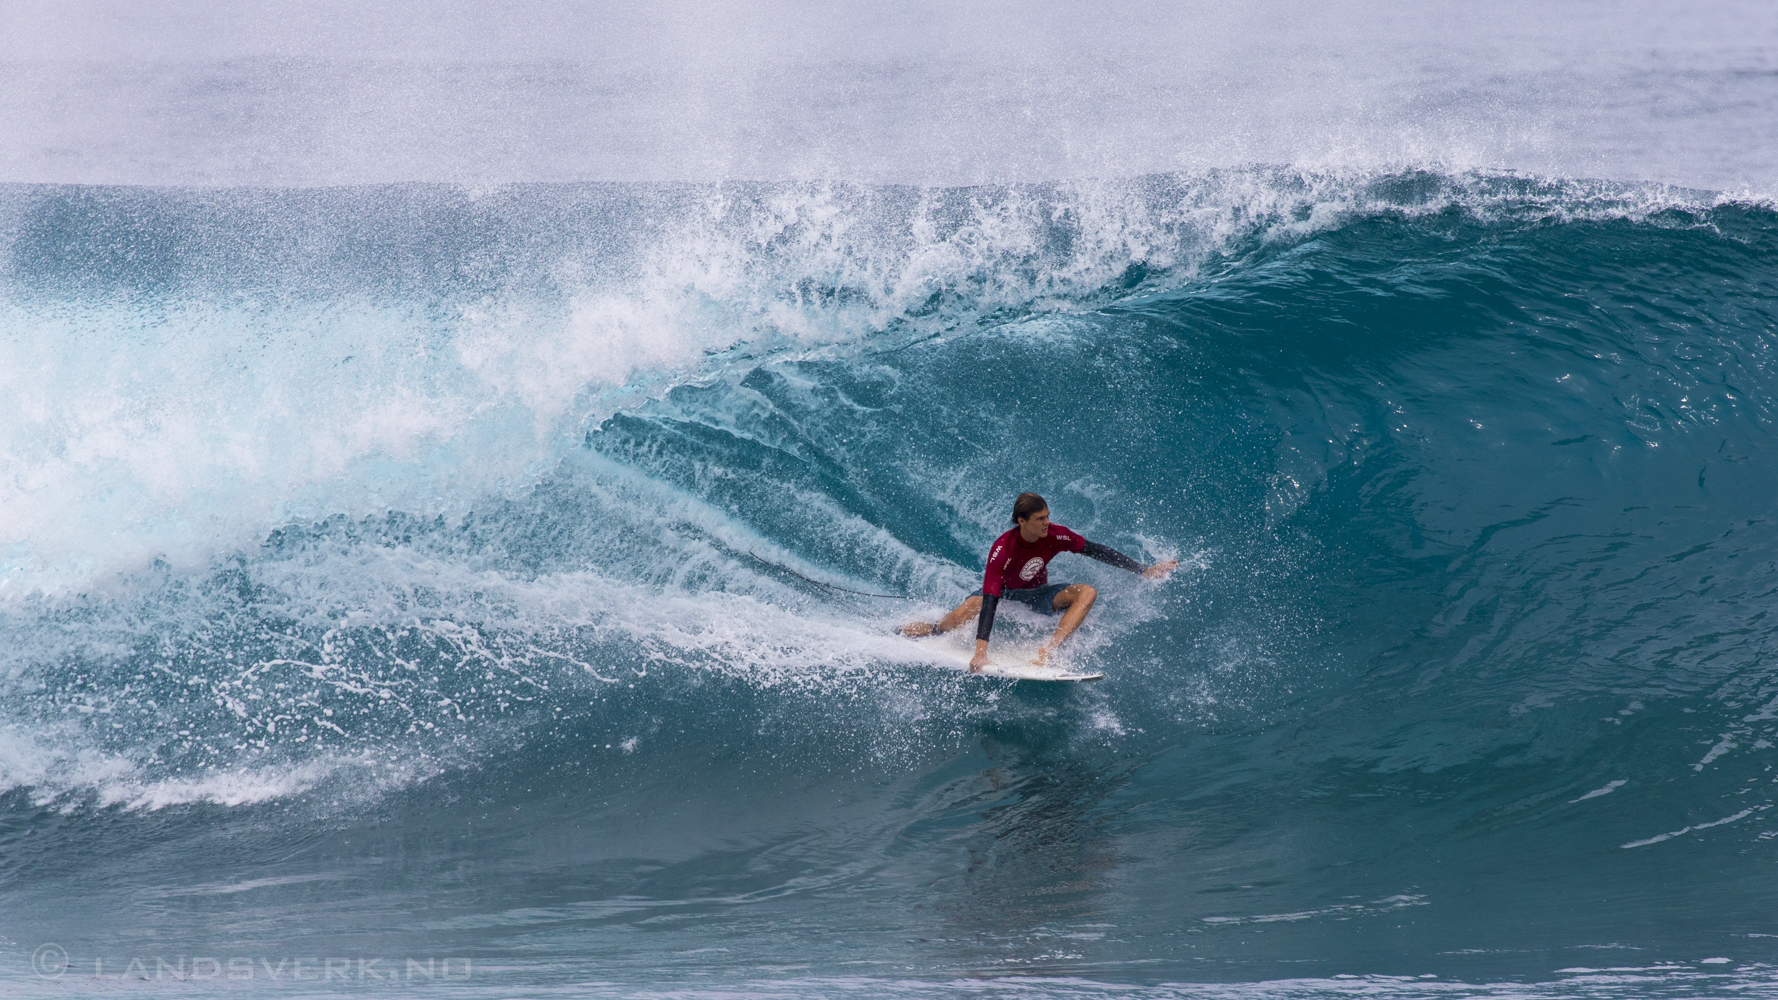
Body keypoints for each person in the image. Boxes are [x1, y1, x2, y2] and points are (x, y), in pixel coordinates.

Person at [898, 492, 1178, 670]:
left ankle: (1049, 650)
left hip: (1039, 594)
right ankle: (924, 629)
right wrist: (980, 652)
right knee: (952, 621)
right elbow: (991, 600)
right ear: (1022, 521)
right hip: (1004, 594)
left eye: (1047, 517)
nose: (1046, 522)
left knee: (1087, 592)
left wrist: (1144, 570)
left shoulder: (1056, 535)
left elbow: (1096, 550)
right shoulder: (1003, 549)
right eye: (1040, 519)